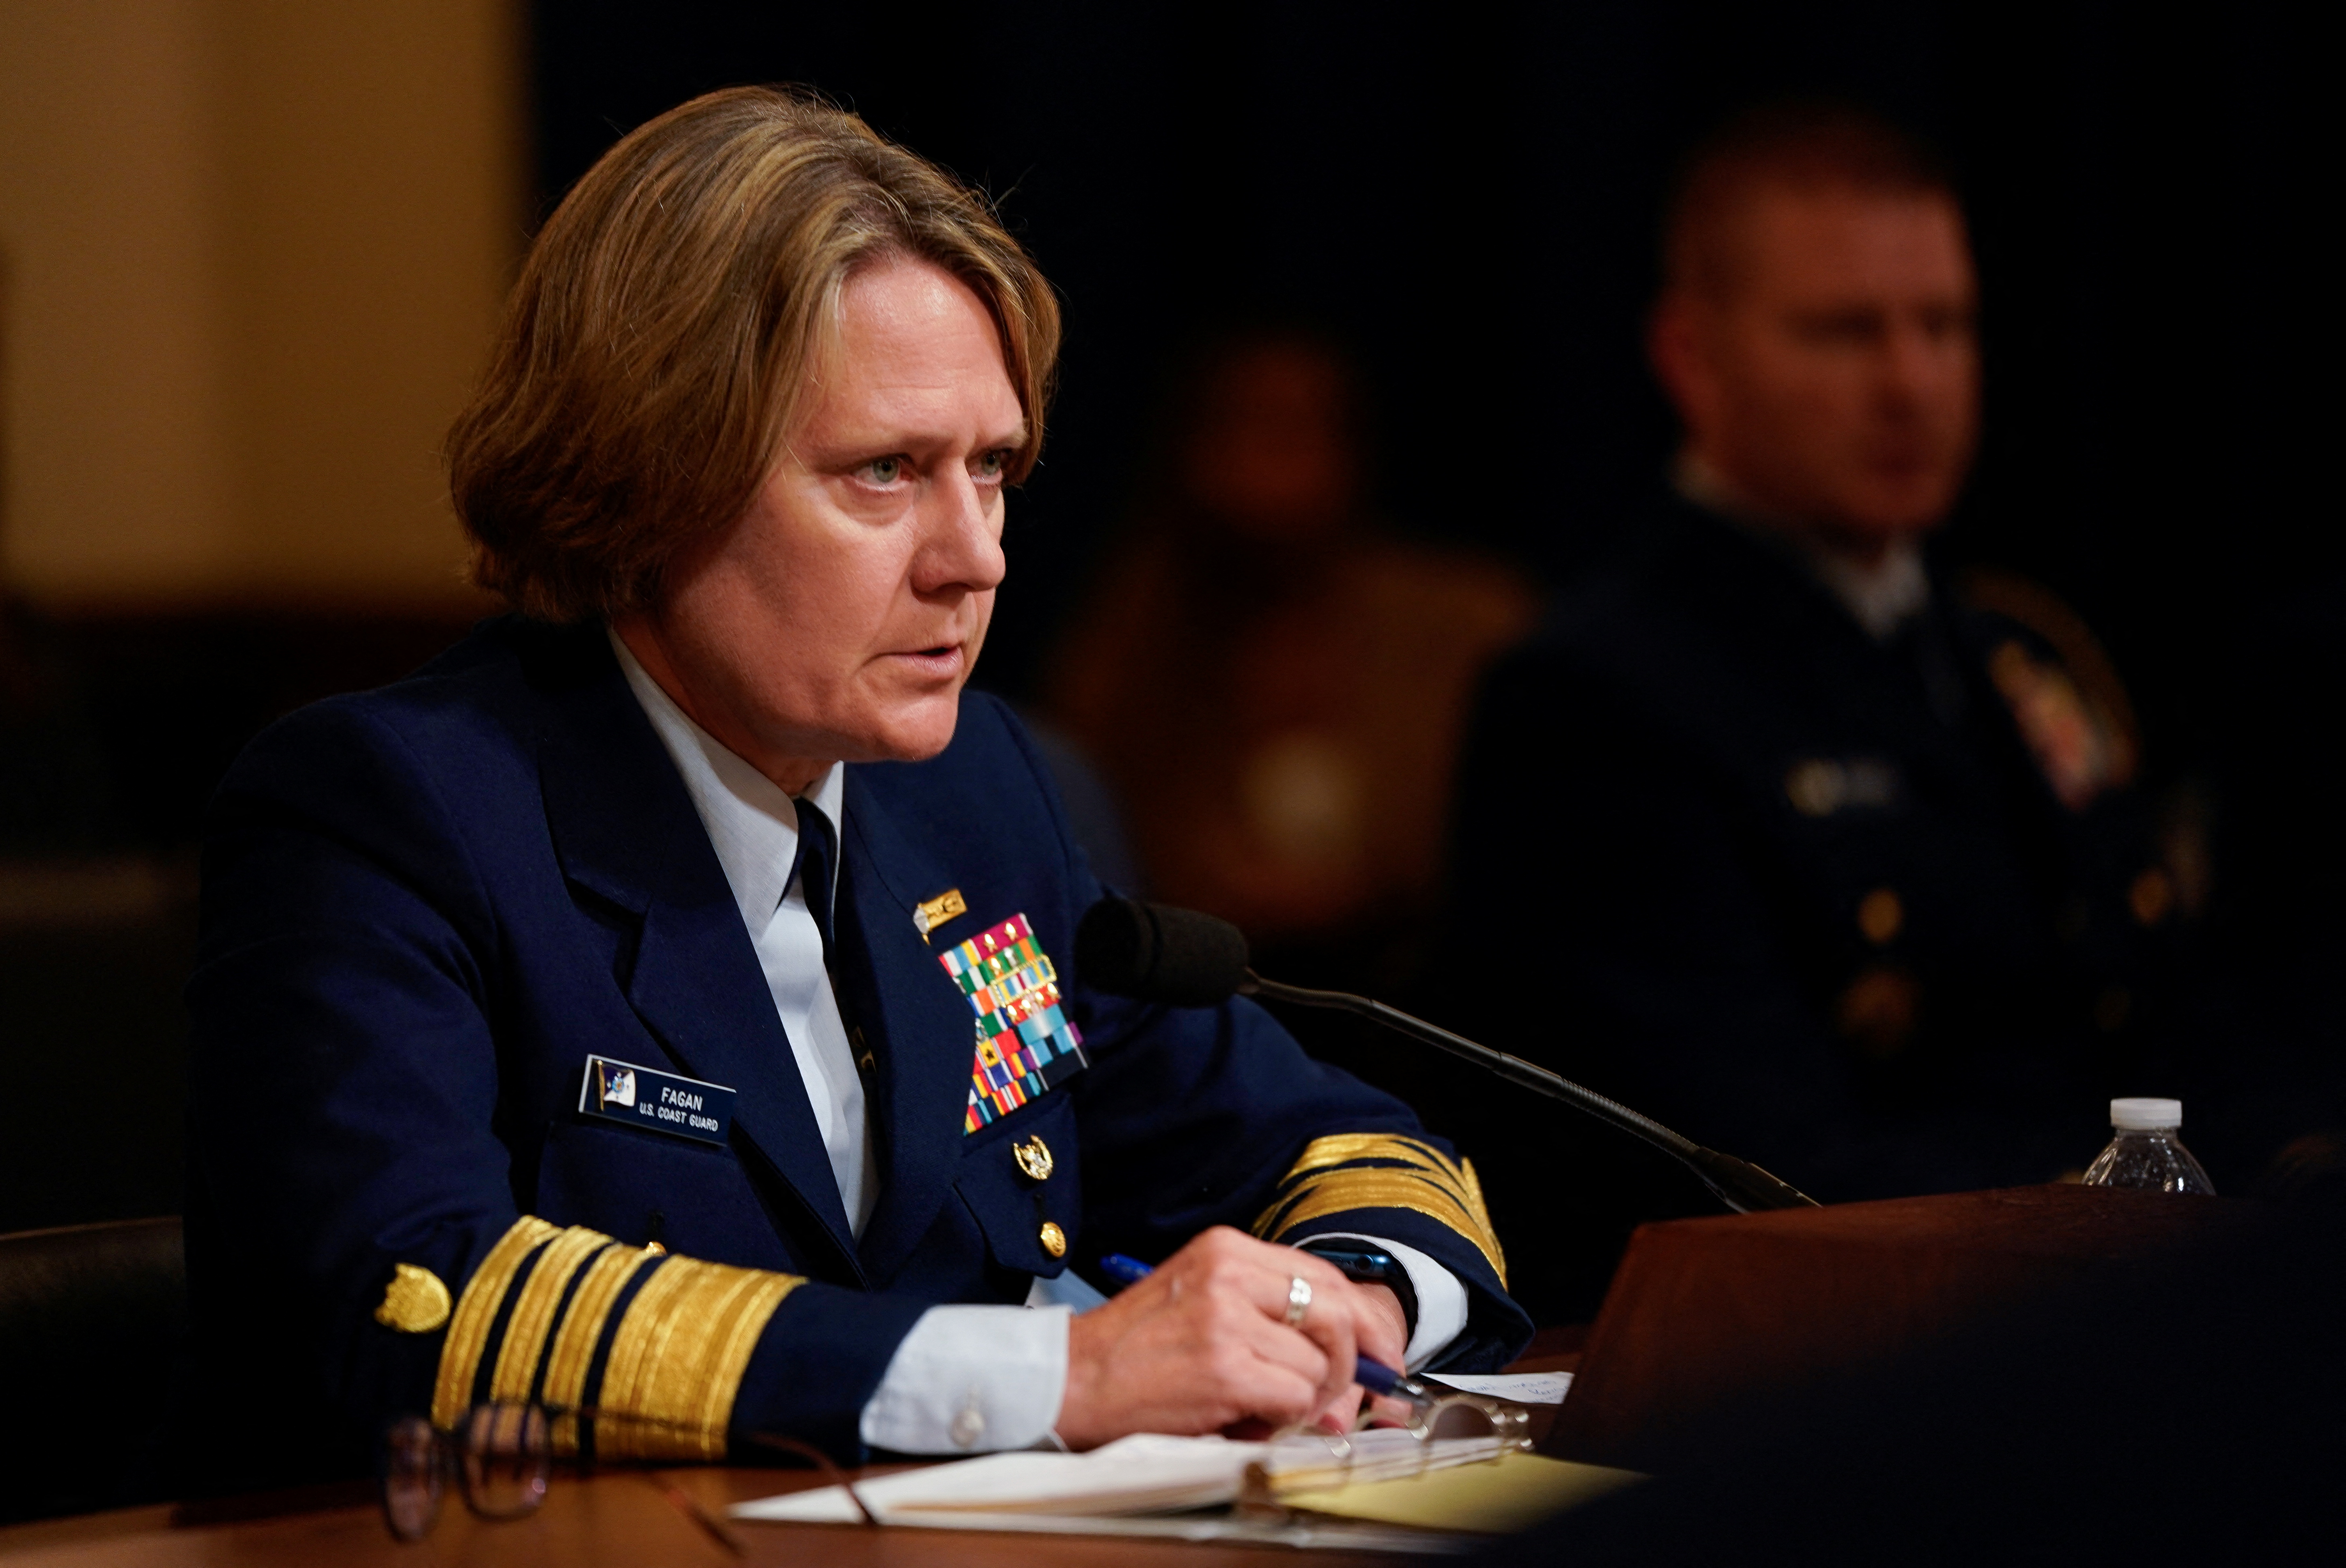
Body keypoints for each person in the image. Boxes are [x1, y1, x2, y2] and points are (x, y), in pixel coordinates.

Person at [185, 88, 1528, 1487]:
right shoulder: (392, 812)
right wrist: (1061, 1376)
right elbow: (420, 1303)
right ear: (650, 477)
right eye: (884, 473)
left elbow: (1336, 1144)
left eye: (992, 468)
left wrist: (1345, 1313)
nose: (975, 557)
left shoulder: (972, 793)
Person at [1437, 103, 2183, 1314]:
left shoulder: (2006, 659)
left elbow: (2150, 1015)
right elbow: (1746, 1169)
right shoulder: (1594, 697)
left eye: (1942, 326)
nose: (1908, 381)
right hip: (1825, 1364)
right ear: (1694, 358)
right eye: (1844, 332)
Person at [1049, 329, 1537, 977]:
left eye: (1294, 429)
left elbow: (1524, 843)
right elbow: (1097, 857)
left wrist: (1370, 894)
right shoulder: (1134, 643)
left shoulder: (1463, 625)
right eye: (1240, 428)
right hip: (1213, 1007)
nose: (1266, 463)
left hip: (1435, 1002)